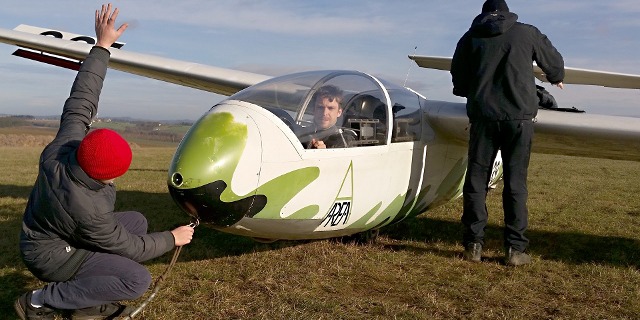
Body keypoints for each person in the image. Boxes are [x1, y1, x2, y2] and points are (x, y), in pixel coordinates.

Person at [13, 4, 195, 319]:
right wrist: (173, 238)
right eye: (115, 176)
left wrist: (102, 46)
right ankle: (41, 301)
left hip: (50, 234)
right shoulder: (89, 208)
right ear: (105, 176)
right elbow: (132, 249)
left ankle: (89, 297)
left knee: (137, 221)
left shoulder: (65, 146)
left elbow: (82, 99)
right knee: (136, 278)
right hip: (52, 256)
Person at [450, 0, 564, 266]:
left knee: (476, 182)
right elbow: (554, 63)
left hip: (483, 118)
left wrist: (475, 90)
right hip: (519, 119)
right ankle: (515, 249)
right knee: (515, 184)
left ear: (483, 14)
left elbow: (459, 80)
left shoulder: (470, 37)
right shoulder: (526, 32)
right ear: (507, 11)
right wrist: (556, 76)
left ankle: (473, 245)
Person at [305, 85, 354, 149]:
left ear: (339, 112)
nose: (324, 113)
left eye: (331, 108)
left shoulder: (344, 141)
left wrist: (324, 153)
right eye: (320, 107)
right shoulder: (301, 134)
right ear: (314, 110)